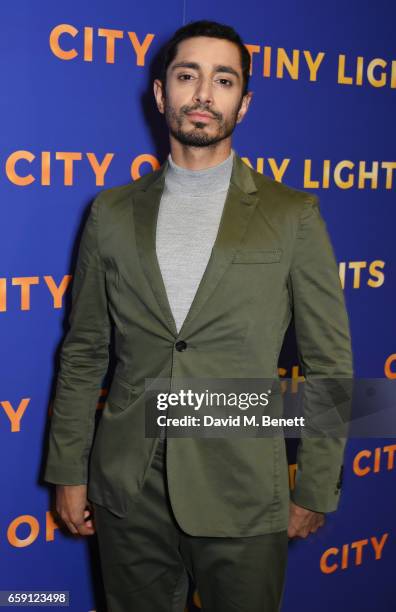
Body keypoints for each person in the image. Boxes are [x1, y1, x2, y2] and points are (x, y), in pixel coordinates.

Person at [43, 19, 353, 612]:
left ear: (245, 102)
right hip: (127, 487)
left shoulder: (294, 215)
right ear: (162, 94)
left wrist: (316, 484)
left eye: (224, 80)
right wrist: (68, 469)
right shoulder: (109, 212)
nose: (204, 94)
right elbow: (84, 351)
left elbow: (329, 363)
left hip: (243, 487)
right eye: (188, 76)